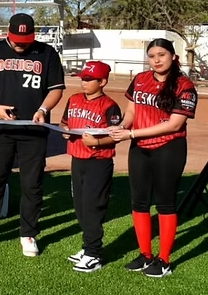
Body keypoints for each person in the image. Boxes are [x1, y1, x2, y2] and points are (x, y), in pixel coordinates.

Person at [0, 13, 65, 256]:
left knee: (32, 183)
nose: (20, 44)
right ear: (8, 34)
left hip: (33, 131)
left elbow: (56, 89)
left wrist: (43, 109)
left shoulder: (47, 53)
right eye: (16, 39)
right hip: (0, 129)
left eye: (25, 40)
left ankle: (28, 234)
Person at [108, 38, 197, 278]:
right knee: (139, 202)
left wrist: (131, 133)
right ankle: (145, 254)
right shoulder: (140, 79)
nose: (156, 60)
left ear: (173, 56)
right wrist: (120, 127)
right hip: (140, 148)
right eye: (152, 56)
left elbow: (174, 124)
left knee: (166, 203)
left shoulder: (184, 84)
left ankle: (164, 260)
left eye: (162, 55)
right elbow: (131, 111)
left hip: (169, 148)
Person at [58, 61, 122, 272]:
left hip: (98, 162)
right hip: (77, 160)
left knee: (93, 208)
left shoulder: (110, 105)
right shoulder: (74, 99)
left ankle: (94, 254)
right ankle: (87, 248)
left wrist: (97, 142)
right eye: (83, 79)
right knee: (80, 207)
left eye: (89, 79)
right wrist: (65, 130)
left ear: (102, 81)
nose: (84, 83)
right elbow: (64, 122)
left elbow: (115, 136)